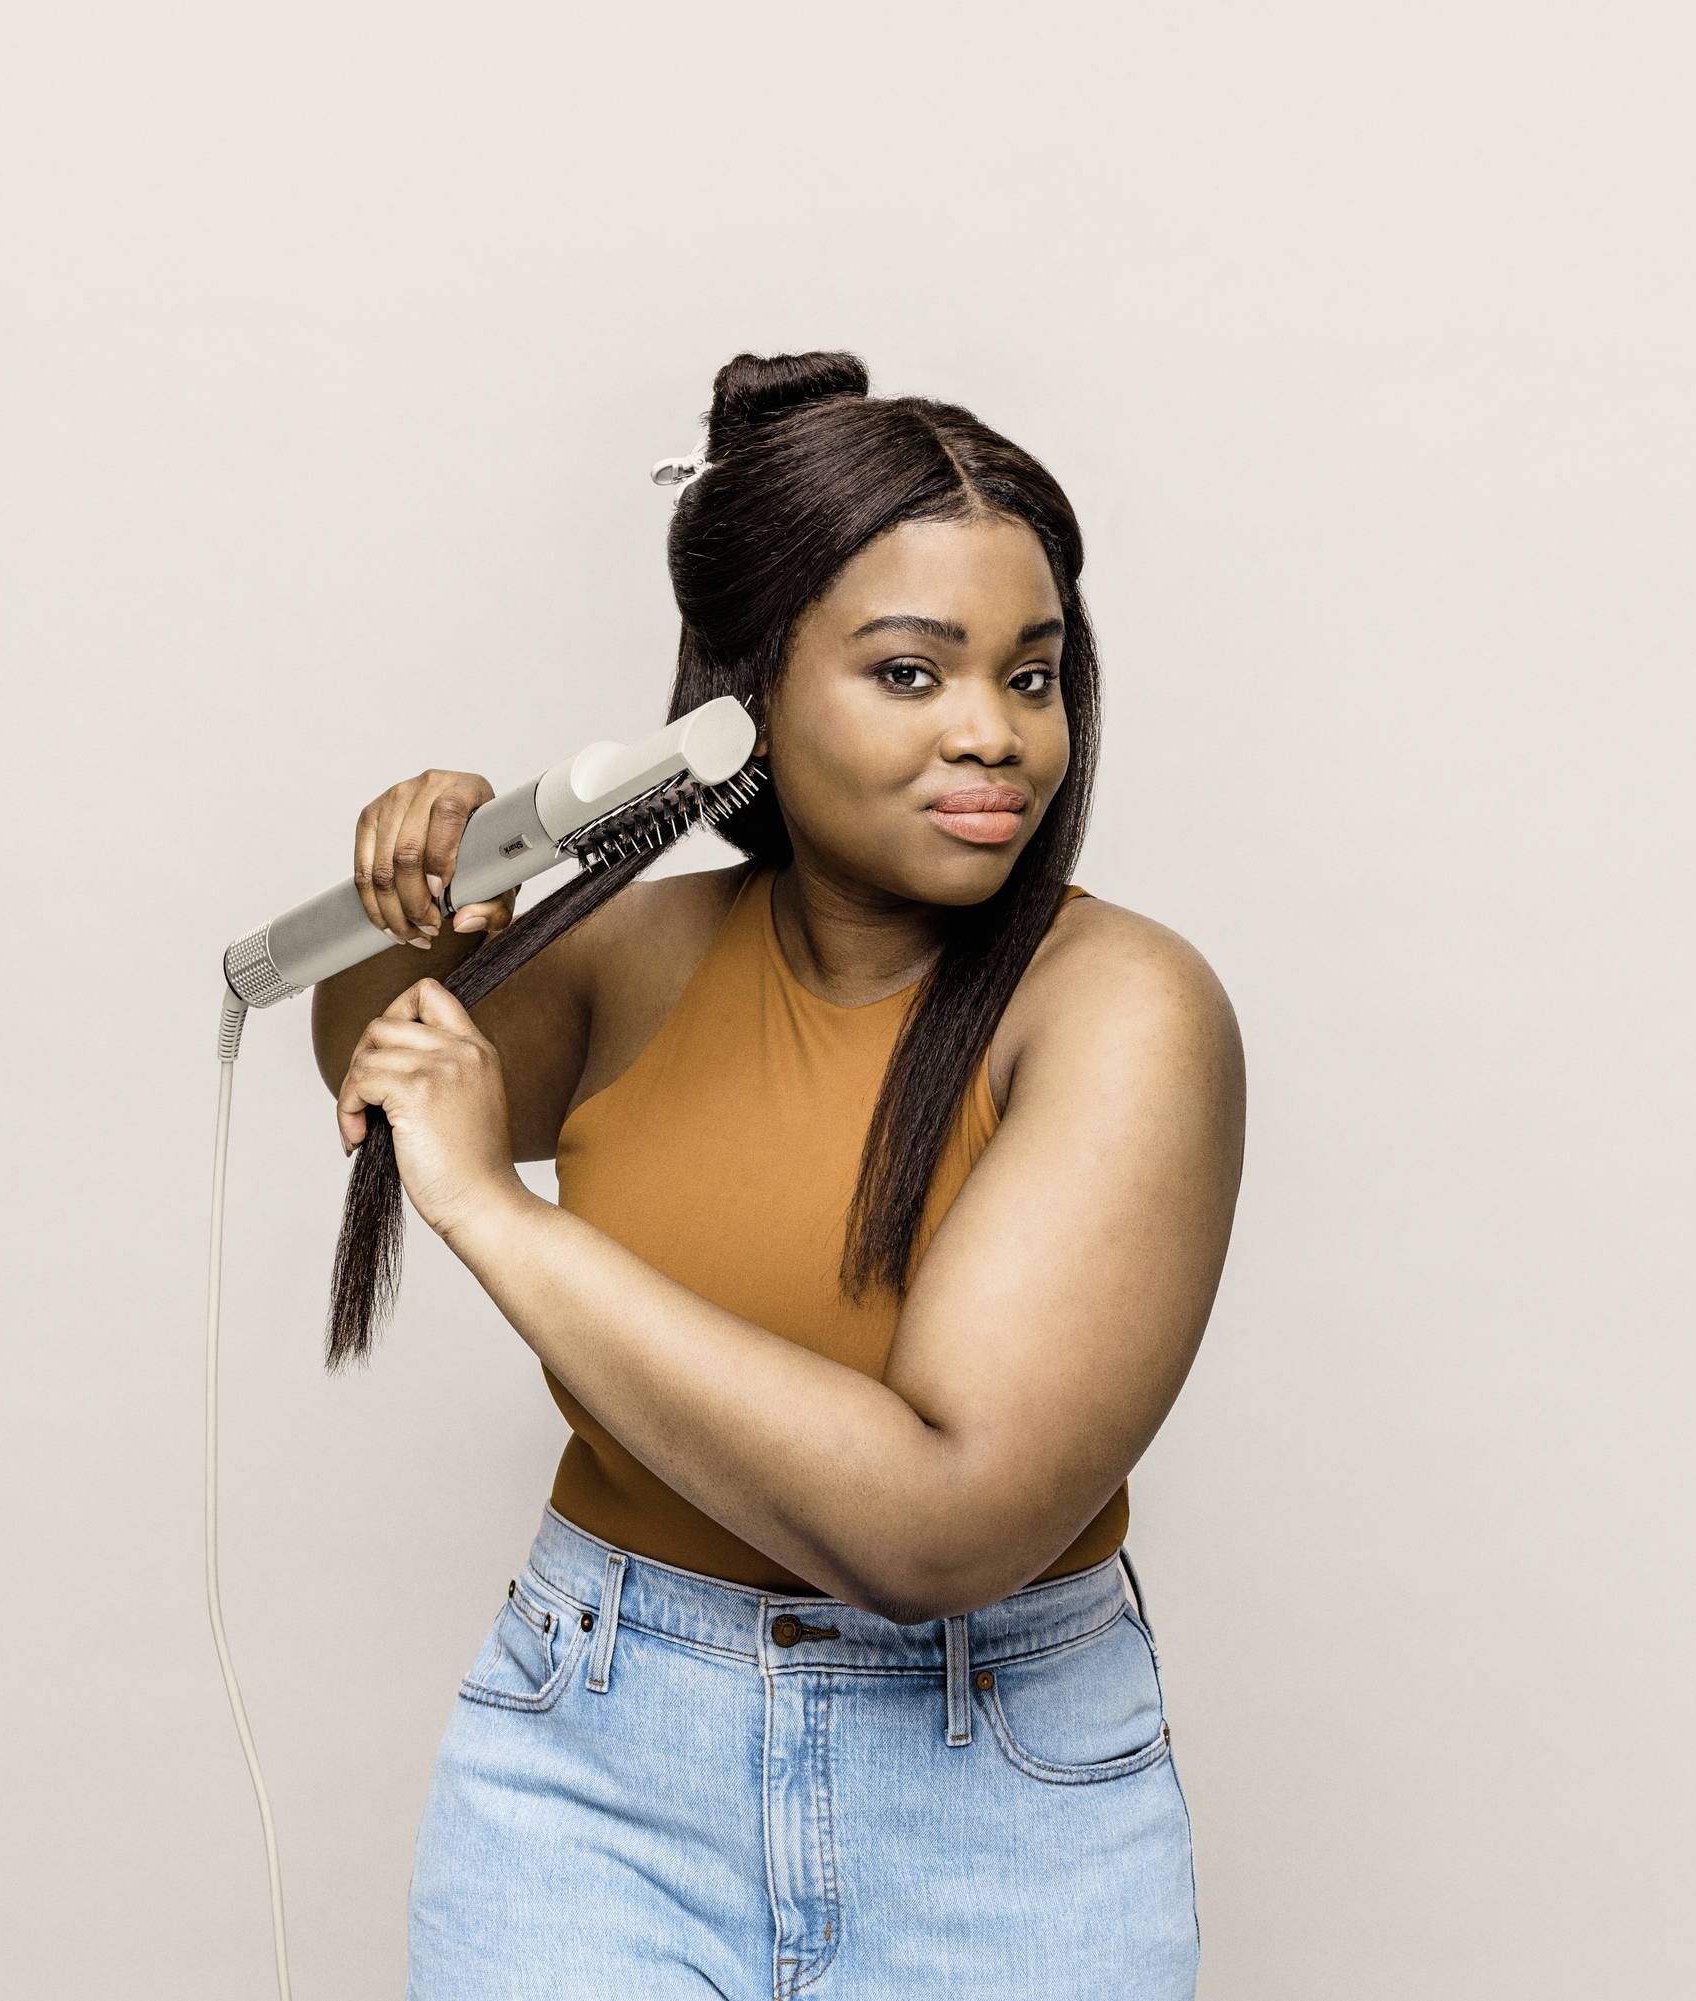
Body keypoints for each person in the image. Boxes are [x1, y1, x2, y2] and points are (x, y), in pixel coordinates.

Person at [311, 348, 1245, 1998]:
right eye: (910, 673)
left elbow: (942, 1526)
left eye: (1032, 676)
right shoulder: (636, 952)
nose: (996, 735)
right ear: (745, 696)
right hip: (592, 1778)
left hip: (995, 1803)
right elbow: (380, 1060)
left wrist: (494, 1216)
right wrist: (439, 892)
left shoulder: (1123, 1009)